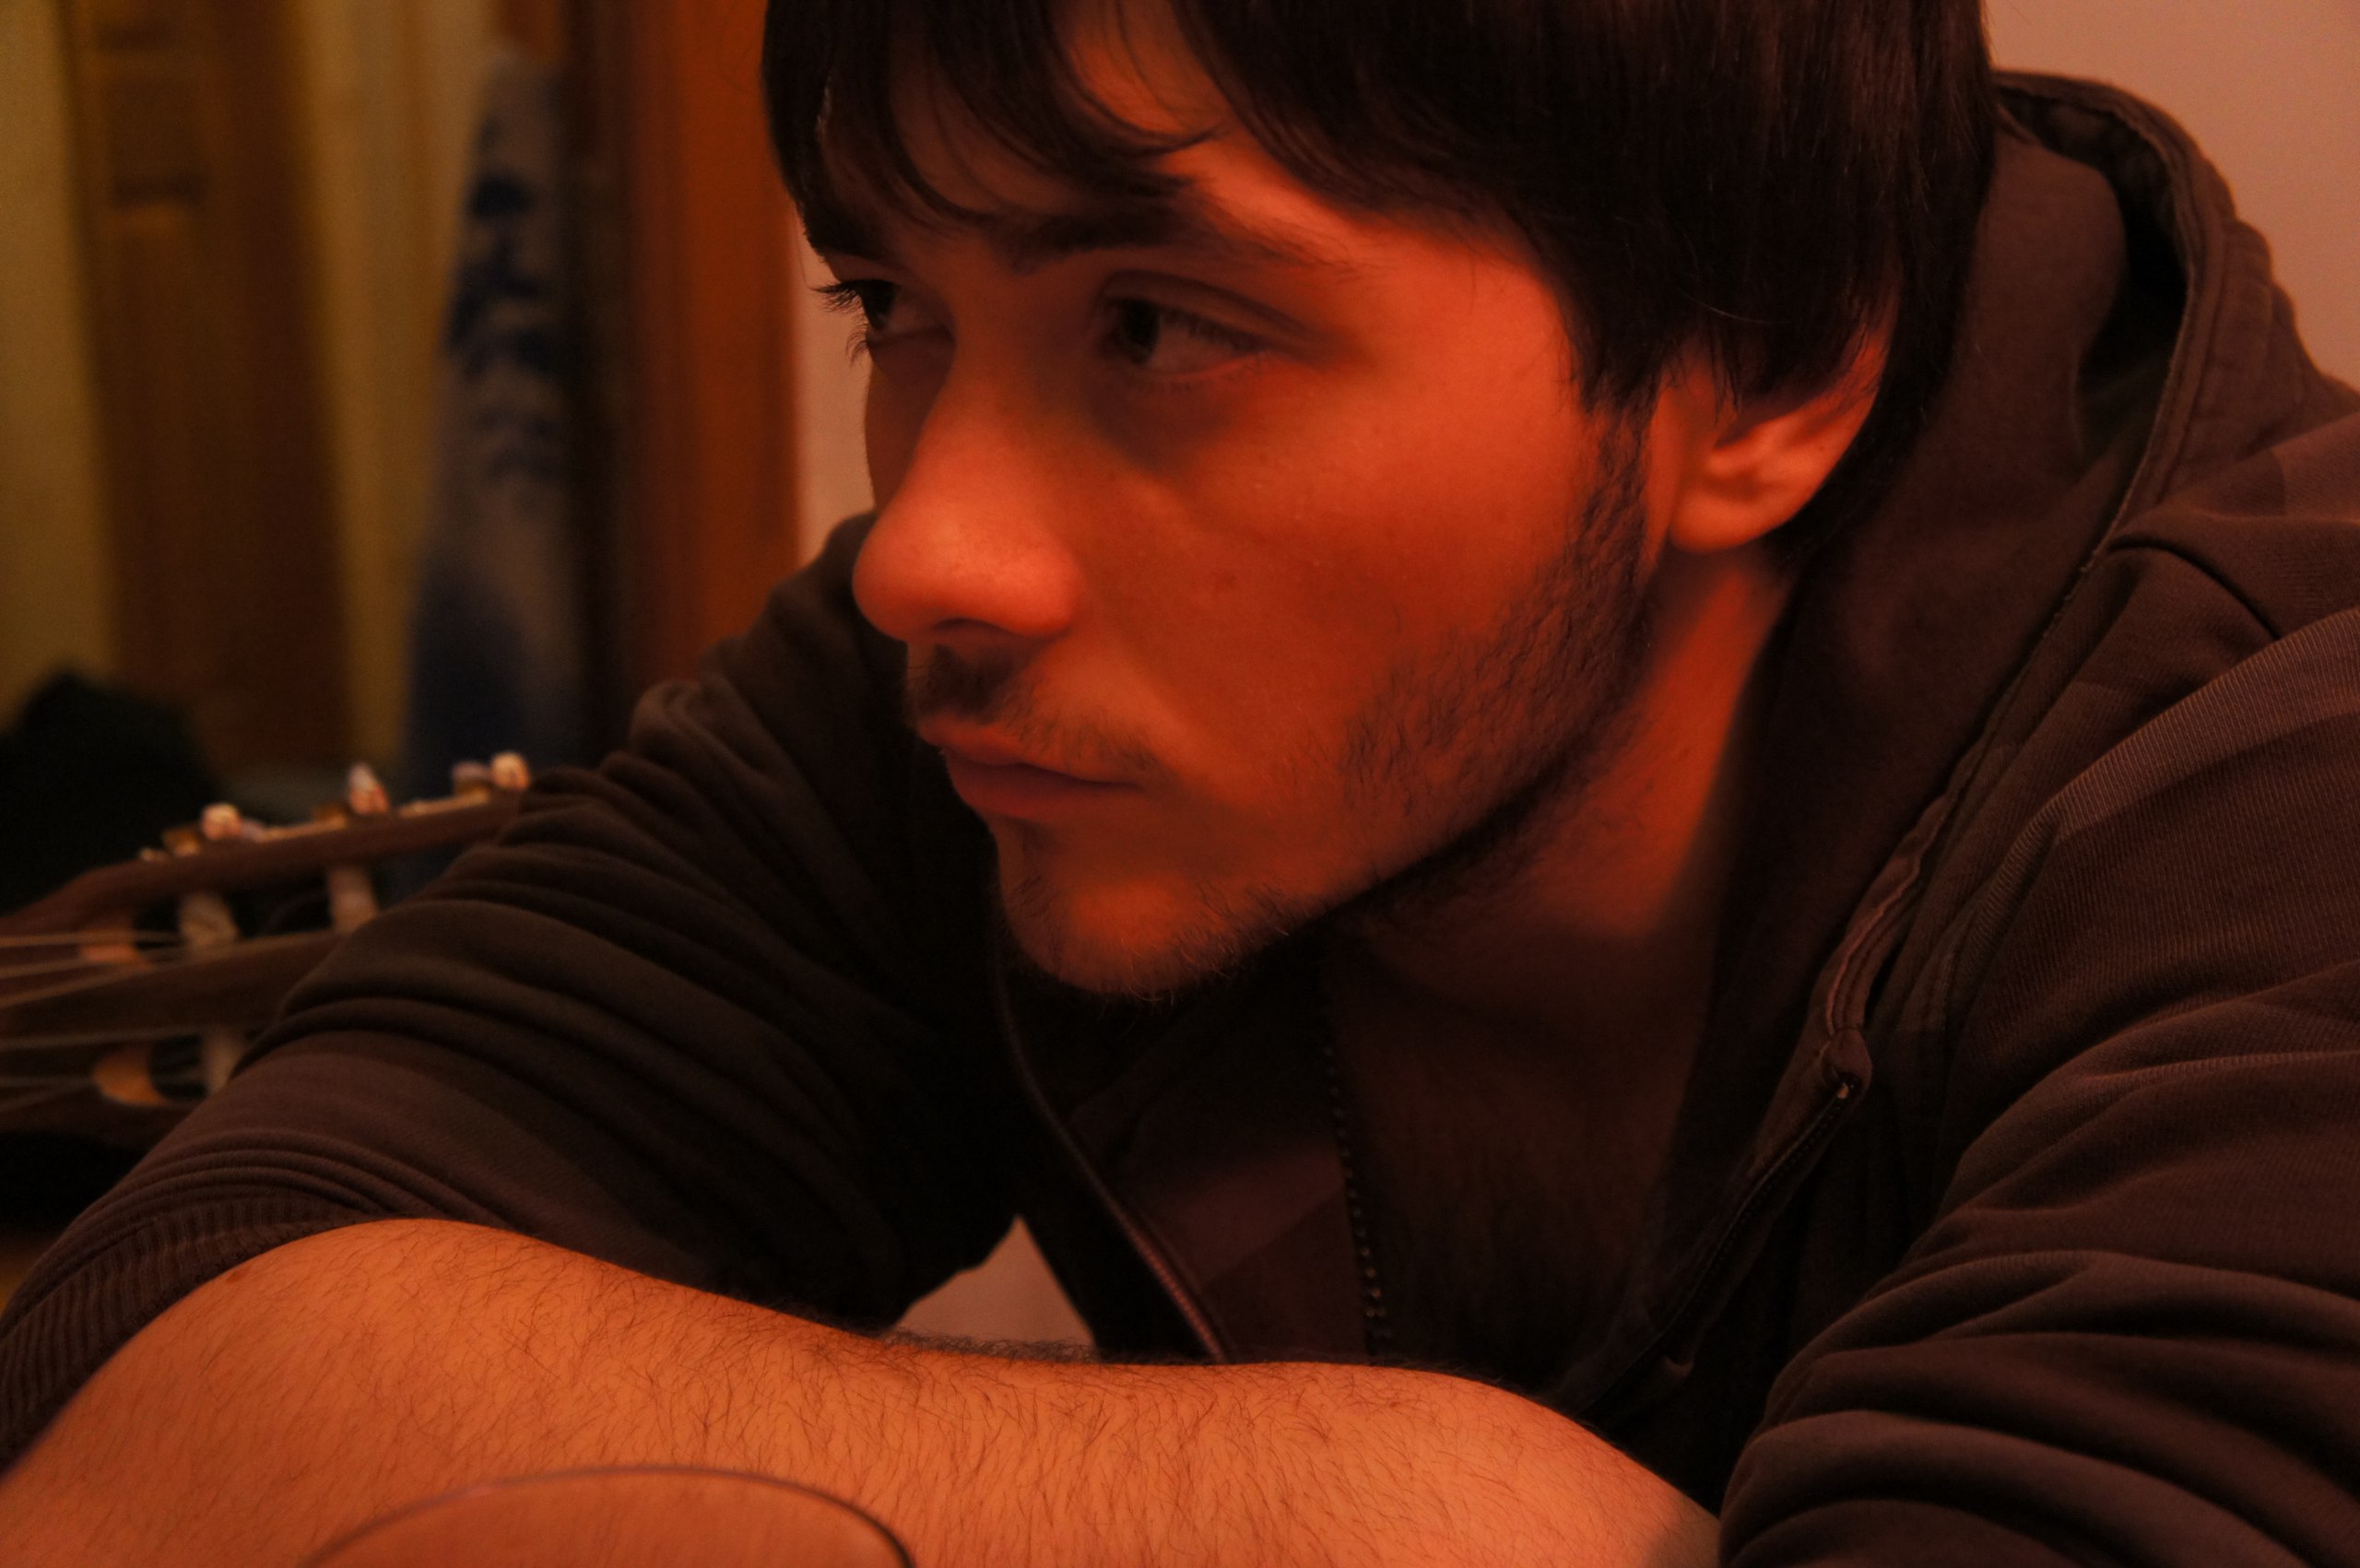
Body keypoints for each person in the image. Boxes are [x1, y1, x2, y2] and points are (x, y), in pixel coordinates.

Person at [6, 0, 2359, 1562]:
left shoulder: (2285, 807)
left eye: (1155, 325)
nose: (919, 547)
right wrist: (1396, 1509)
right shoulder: (975, 688)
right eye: (890, 307)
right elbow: (145, 1372)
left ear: (1760, 375)